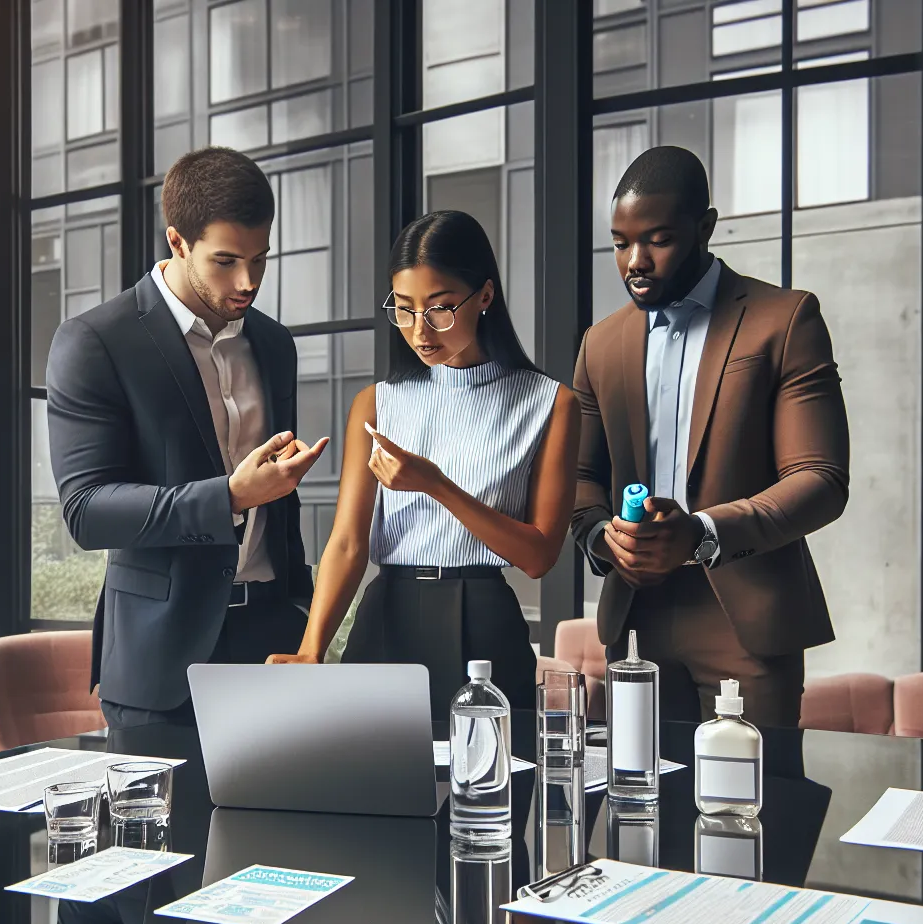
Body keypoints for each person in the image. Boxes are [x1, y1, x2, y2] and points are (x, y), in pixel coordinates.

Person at [46, 146, 328, 751]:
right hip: (159, 664)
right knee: (165, 846)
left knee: (285, 845)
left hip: (271, 650)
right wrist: (228, 497)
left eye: (260, 260)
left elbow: (282, 508)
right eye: (225, 261)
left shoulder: (274, 346)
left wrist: (301, 612)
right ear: (177, 242)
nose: (247, 282)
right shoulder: (95, 341)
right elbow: (86, 509)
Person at [572, 145, 849, 732]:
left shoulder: (785, 318)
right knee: (641, 808)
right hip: (635, 616)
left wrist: (700, 533)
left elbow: (820, 479)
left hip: (744, 618)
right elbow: (580, 477)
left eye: (658, 240)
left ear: (705, 228)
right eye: (621, 243)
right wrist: (604, 538)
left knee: (754, 809)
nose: (635, 262)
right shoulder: (601, 343)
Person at [268, 210, 580, 716]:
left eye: (439, 309)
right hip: (387, 616)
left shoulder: (549, 403)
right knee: (373, 789)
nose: (420, 331)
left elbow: (539, 556)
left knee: (491, 787)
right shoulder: (377, 403)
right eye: (405, 309)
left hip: (485, 624)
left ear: (484, 295)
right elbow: (348, 541)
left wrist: (436, 485)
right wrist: (312, 649)